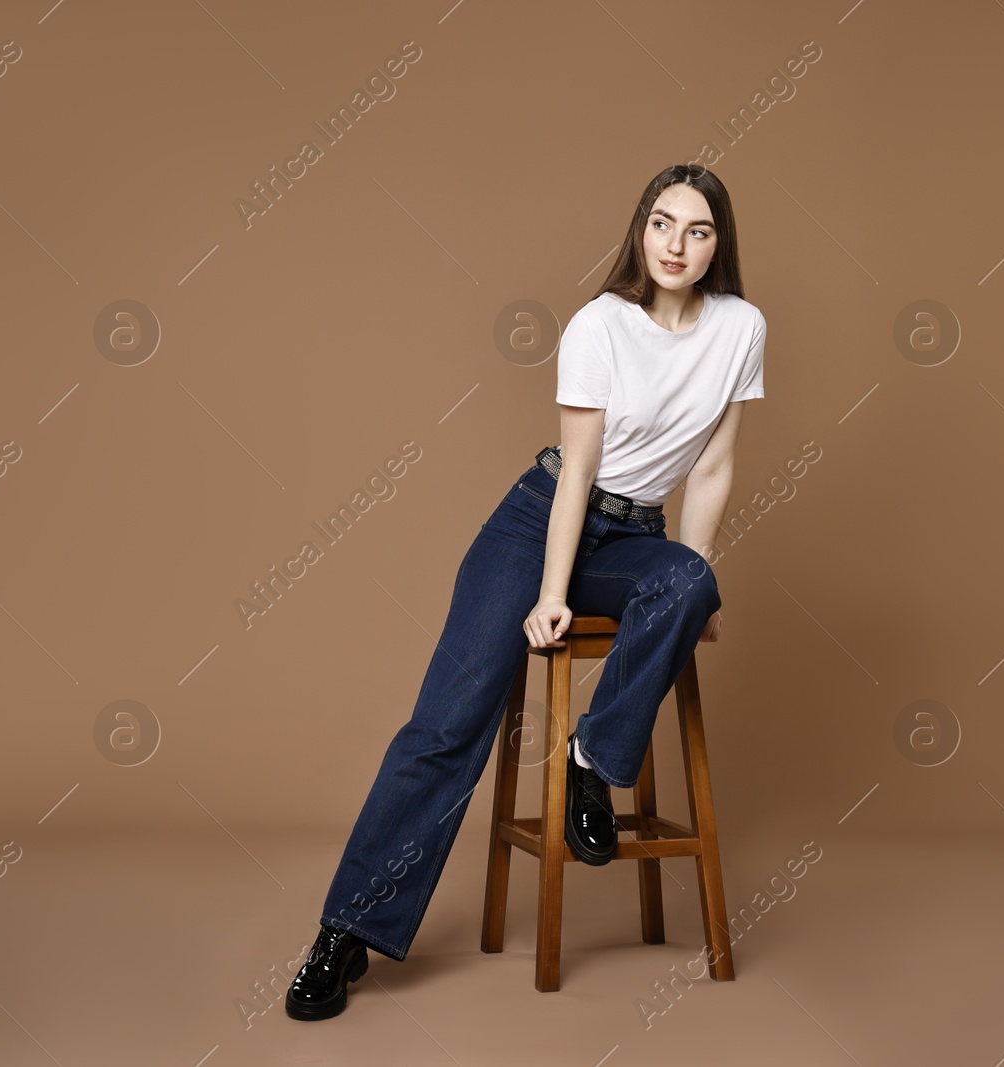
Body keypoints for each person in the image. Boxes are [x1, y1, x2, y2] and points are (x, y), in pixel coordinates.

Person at [284, 163, 766, 1021]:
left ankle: (590, 761)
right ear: (640, 230)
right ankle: (344, 929)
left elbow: (717, 465)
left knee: (693, 579)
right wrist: (549, 594)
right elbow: (578, 471)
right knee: (448, 719)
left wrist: (692, 589)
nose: (675, 245)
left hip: (636, 537)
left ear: (718, 243)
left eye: (696, 230)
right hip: (539, 522)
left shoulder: (741, 328)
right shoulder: (598, 326)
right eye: (662, 224)